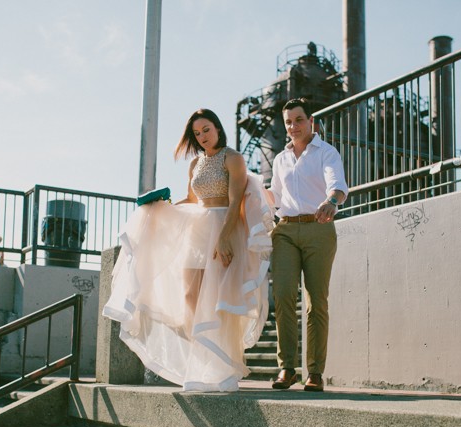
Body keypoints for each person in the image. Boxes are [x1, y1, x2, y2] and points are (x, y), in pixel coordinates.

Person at [103, 109, 274, 392]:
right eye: (197, 133)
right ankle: (203, 362)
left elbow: (235, 202)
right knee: (190, 296)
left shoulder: (233, 157)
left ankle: (222, 368)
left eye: (206, 129)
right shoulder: (195, 163)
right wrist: (163, 209)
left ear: (217, 128)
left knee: (218, 301)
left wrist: (225, 237)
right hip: (198, 231)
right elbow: (193, 199)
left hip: (224, 228)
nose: (202, 137)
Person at [267, 98, 349, 392]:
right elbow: (273, 197)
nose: (293, 127)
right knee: (285, 296)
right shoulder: (280, 159)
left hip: (319, 227)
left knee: (316, 302)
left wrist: (331, 202)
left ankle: (314, 372)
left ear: (310, 120)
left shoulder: (326, 152)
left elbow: (337, 184)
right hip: (285, 231)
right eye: (288, 122)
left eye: (298, 120)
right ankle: (286, 368)